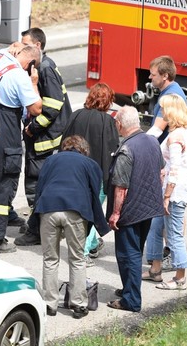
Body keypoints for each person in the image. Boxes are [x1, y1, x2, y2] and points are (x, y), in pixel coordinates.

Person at [34, 135, 110, 319]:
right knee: (77, 259)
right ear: (84, 149)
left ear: (65, 147)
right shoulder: (89, 164)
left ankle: (49, 304)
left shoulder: (51, 160)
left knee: (50, 259)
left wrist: (34, 217)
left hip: (49, 209)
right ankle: (78, 304)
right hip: (75, 210)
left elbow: (40, 187)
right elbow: (94, 193)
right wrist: (98, 221)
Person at [0, 44, 42, 253]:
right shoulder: (20, 76)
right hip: (7, 126)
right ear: (31, 64)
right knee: (4, 182)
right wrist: (33, 83)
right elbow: (36, 108)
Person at [15, 27, 72, 247]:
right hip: (45, 138)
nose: (20, 48)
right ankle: (38, 225)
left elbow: (53, 105)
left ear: (36, 47)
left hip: (44, 140)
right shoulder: (41, 66)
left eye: (25, 45)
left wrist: (33, 127)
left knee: (36, 185)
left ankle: (37, 230)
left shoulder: (45, 69)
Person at [107, 106, 164, 313]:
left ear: (120, 125)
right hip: (149, 208)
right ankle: (129, 289)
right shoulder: (152, 141)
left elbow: (121, 187)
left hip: (130, 211)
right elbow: (160, 172)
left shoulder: (126, 149)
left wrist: (115, 213)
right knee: (135, 250)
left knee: (127, 254)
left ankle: (131, 300)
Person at [60, 82, 121, 257]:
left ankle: (93, 243)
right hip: (97, 176)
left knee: (83, 211)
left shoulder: (76, 115)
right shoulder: (108, 121)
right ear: (108, 101)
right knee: (92, 212)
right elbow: (112, 151)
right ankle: (83, 253)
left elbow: (64, 141)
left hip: (75, 174)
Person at [145, 94, 187, 290]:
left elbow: (174, 169)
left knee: (174, 234)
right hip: (172, 190)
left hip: (173, 194)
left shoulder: (175, 137)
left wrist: (166, 197)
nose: (162, 113)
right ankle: (155, 270)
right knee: (155, 227)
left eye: (164, 109)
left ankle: (180, 277)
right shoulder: (183, 131)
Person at [146, 55, 187, 141]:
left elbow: (157, 129)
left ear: (165, 76)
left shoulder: (171, 96)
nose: (149, 77)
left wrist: (140, 143)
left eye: (153, 75)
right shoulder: (171, 90)